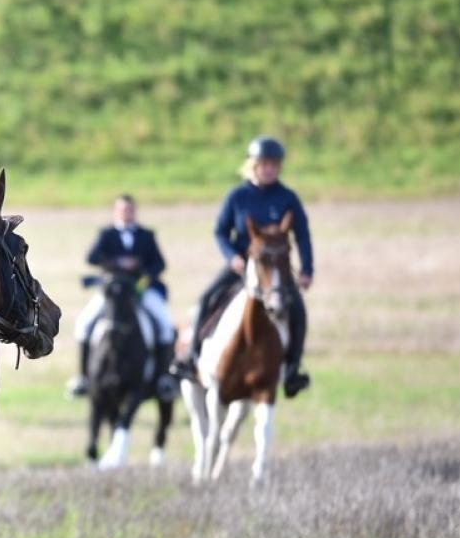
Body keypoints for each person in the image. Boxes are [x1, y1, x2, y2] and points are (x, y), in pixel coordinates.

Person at [173, 136, 314, 398]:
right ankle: (191, 358)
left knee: (298, 311)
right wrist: (232, 258)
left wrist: (306, 270)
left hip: (274, 272)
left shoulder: (287, 198)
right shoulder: (237, 197)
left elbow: (302, 235)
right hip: (241, 266)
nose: (269, 169)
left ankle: (293, 369)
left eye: (274, 165)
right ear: (253, 165)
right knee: (206, 300)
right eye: (264, 164)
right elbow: (220, 231)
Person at [67, 194, 176, 399]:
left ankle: (164, 378)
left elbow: (159, 264)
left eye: (129, 209)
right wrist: (117, 263)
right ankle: (82, 377)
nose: (126, 213)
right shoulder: (106, 234)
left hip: (140, 291)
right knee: (84, 322)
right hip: (113, 292)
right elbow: (91, 257)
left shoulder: (146, 235)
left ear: (134, 211)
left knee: (164, 325)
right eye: (122, 210)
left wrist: (141, 269)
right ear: (116, 212)